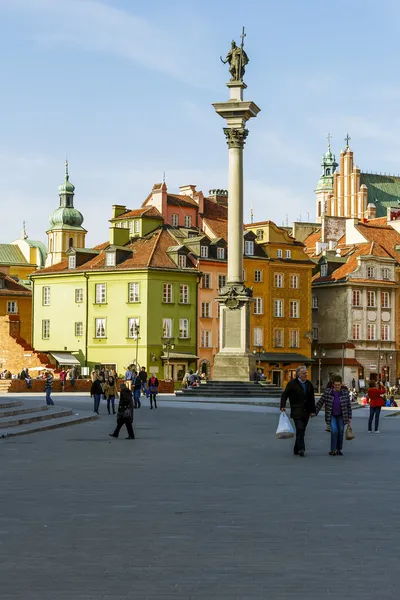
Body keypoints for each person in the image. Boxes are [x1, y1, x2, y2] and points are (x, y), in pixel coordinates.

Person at [280, 366, 316, 457]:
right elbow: (284, 395)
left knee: (302, 430)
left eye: (306, 373)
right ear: (299, 374)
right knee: (300, 428)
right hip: (296, 410)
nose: (306, 375)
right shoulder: (292, 384)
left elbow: (312, 398)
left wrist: (313, 411)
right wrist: (283, 406)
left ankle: (296, 448)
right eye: (304, 373)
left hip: (306, 411)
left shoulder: (308, 384)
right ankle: (301, 448)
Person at [315, 374, 352, 456]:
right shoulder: (328, 392)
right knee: (334, 431)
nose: (337, 386)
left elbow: (348, 405)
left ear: (341, 384)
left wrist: (349, 417)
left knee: (341, 431)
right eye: (335, 385)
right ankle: (333, 449)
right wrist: (314, 411)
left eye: (339, 385)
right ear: (333, 384)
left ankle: (339, 449)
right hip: (331, 415)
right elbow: (320, 402)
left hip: (342, 415)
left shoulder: (345, 393)